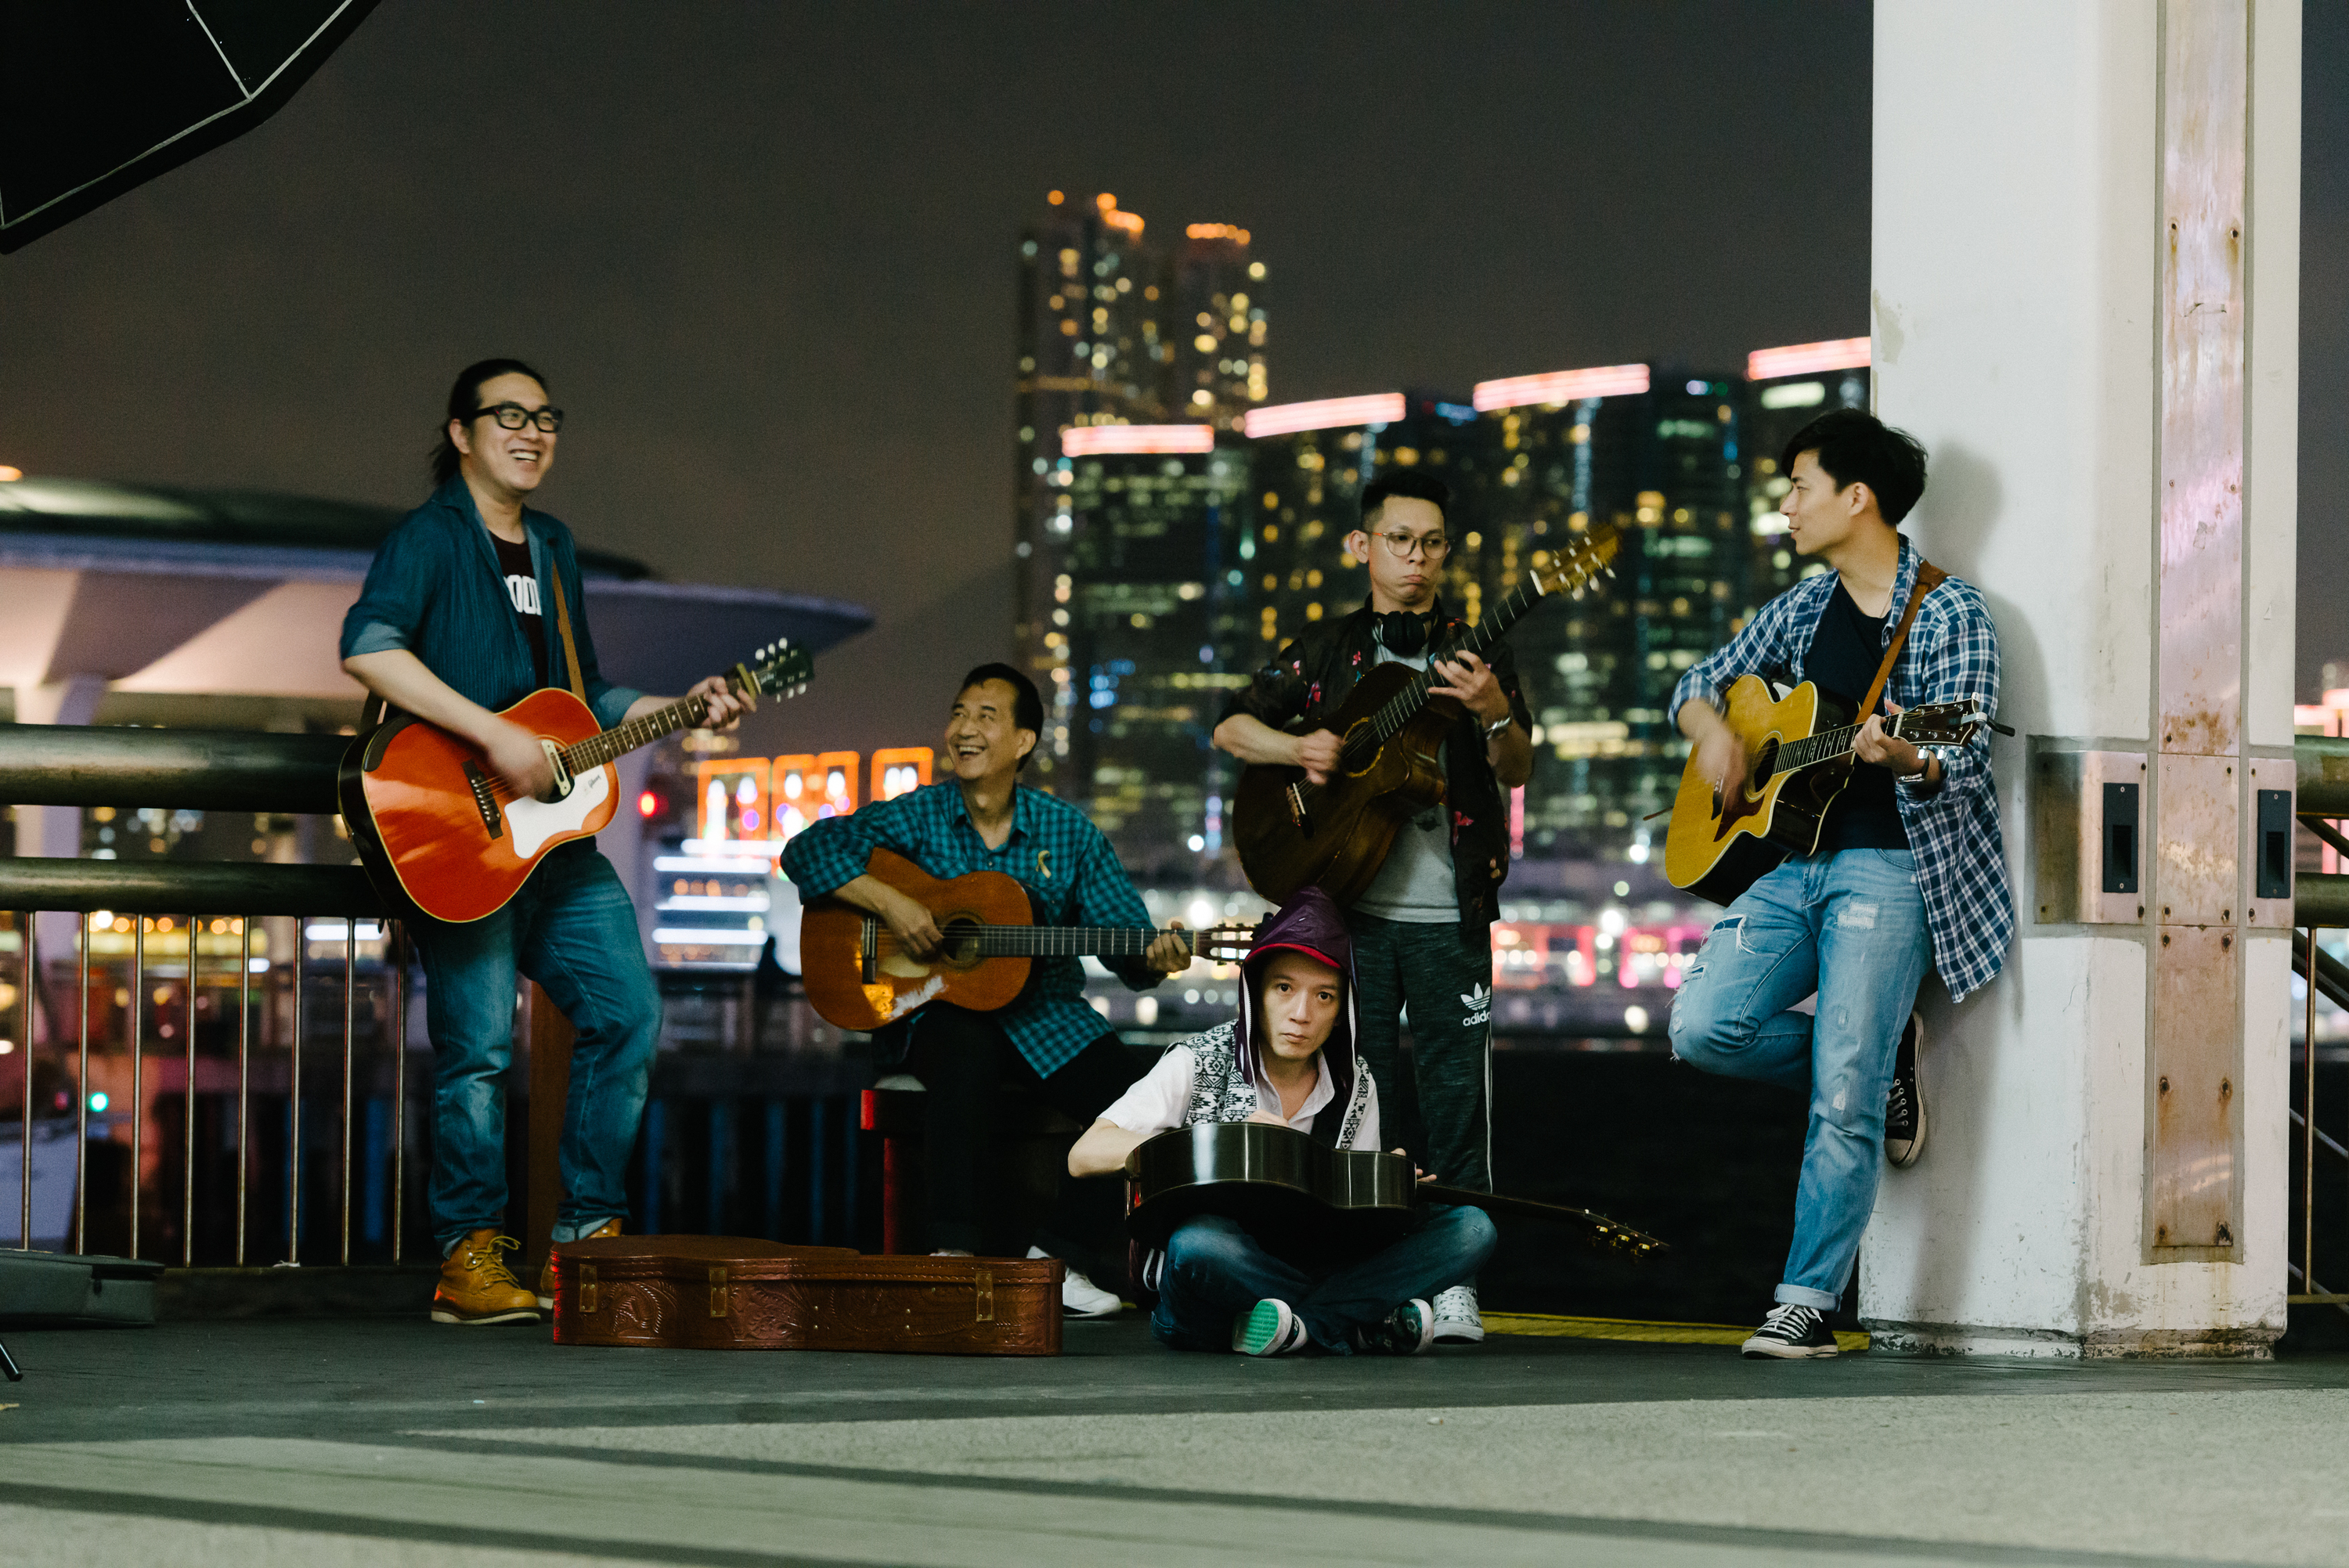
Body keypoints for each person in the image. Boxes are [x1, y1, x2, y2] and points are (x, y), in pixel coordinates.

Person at [341, 358, 751, 1325]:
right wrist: (492, 734)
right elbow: (367, 644)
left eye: (547, 417)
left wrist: (679, 708)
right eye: (509, 415)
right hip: (462, 832)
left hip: (556, 846)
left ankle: (585, 1243)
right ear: (460, 433)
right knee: (477, 1051)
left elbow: (581, 693)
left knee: (628, 1013)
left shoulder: (555, 545)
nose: (532, 432)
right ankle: (468, 1257)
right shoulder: (429, 538)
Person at [1667, 408, 2012, 1360]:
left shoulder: (1949, 613)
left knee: (1841, 1094)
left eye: (1799, 487)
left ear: (1856, 498)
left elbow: (1968, 752)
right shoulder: (1803, 608)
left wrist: (1906, 751)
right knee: (1704, 1027)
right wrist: (1716, 732)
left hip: (1892, 866)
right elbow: (1699, 680)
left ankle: (1806, 1299)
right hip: (1795, 863)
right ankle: (1878, 1061)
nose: (1786, 505)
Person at [1211, 470, 1530, 1345]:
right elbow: (1232, 726)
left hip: (1447, 915)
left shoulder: (1475, 651)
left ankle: (1454, 1283)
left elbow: (1517, 769)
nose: (1416, 558)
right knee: (1337, 1099)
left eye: (1431, 543)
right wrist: (1300, 745)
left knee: (1458, 1106)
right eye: (1399, 539)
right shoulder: (1325, 650)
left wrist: (1496, 713)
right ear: (1364, 547)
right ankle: (1338, 1273)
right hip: (1341, 916)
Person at [781, 663, 1189, 1314]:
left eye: (985, 716)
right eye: (959, 713)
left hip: (1048, 1015)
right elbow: (808, 849)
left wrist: (1158, 957)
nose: (963, 730)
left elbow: (1131, 946)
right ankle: (953, 1258)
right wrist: (892, 904)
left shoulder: (1069, 833)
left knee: (1152, 1102)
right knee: (962, 1043)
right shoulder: (920, 815)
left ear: (1024, 742)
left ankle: (1059, 1261)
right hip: (937, 1010)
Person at [1068, 887, 1497, 1356]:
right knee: (1199, 1243)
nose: (1301, 1014)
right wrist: (1217, 1140)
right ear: (1256, 994)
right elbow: (1084, 1155)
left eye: (1324, 996)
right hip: (1212, 1286)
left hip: (1308, 1263)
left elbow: (1350, 1230)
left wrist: (1382, 1184)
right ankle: (1348, 1322)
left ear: (1341, 1014)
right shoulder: (1199, 1059)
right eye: (1285, 988)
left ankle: (1298, 1326)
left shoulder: (1356, 1084)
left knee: (1473, 1229)